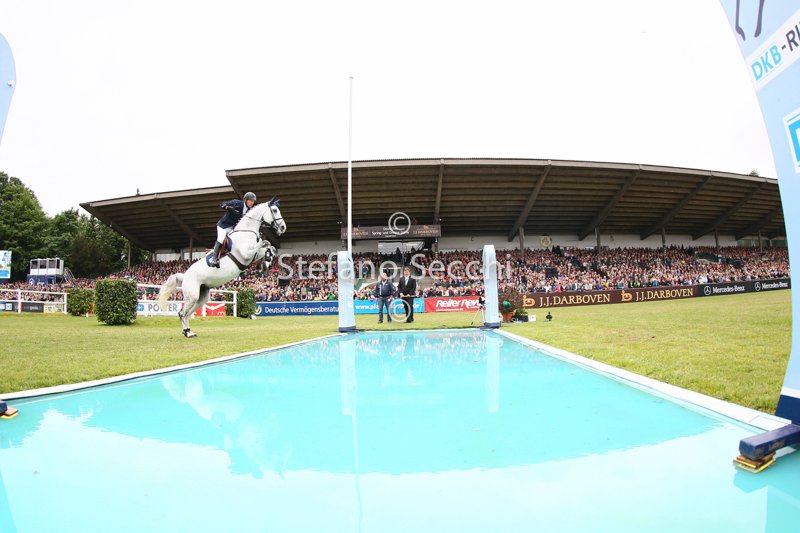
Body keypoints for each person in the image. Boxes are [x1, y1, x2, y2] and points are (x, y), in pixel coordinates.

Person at [209, 192, 256, 268]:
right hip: (223, 226)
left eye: (253, 201)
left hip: (232, 228)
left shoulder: (249, 211)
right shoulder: (237, 203)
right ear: (245, 200)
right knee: (221, 239)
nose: (252, 203)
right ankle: (214, 259)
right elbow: (222, 203)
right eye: (251, 200)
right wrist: (226, 207)